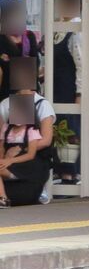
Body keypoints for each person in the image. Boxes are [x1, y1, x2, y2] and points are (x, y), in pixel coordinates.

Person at [0, 57, 55, 206]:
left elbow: (46, 140)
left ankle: (37, 188)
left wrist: (20, 150)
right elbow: (2, 137)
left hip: (33, 156)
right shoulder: (4, 104)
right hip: (8, 154)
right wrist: (5, 155)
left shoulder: (42, 104)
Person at [51, 0, 83, 182]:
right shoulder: (58, 28)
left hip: (68, 88)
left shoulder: (77, 30)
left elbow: (81, 65)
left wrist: (80, 94)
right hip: (55, 87)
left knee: (70, 129)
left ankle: (70, 173)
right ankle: (60, 170)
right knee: (57, 127)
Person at [0, 0, 41, 102]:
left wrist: (11, 61)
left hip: (28, 92)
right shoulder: (1, 38)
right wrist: (24, 63)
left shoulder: (29, 36)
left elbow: (35, 63)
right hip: (6, 93)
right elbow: (3, 67)